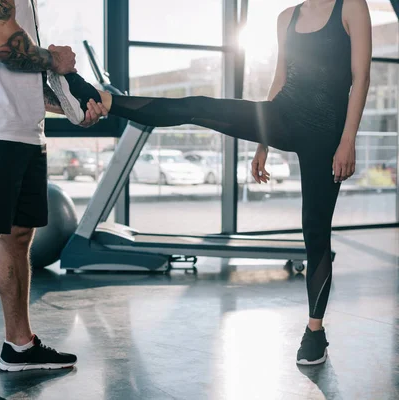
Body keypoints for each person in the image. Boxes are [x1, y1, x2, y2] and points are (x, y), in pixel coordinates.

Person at [56, 0, 372, 366]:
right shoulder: (287, 17)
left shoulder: (351, 7)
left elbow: (361, 76)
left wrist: (348, 139)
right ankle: (100, 99)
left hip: (327, 134)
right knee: (200, 105)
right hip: (282, 115)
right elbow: (280, 81)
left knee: (315, 232)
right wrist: (263, 143)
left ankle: (315, 330)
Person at [0, 0, 105, 399]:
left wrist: (74, 104)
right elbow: (0, 44)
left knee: (19, 235)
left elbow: (22, 78)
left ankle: (19, 346)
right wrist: (55, 59)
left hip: (24, 131)